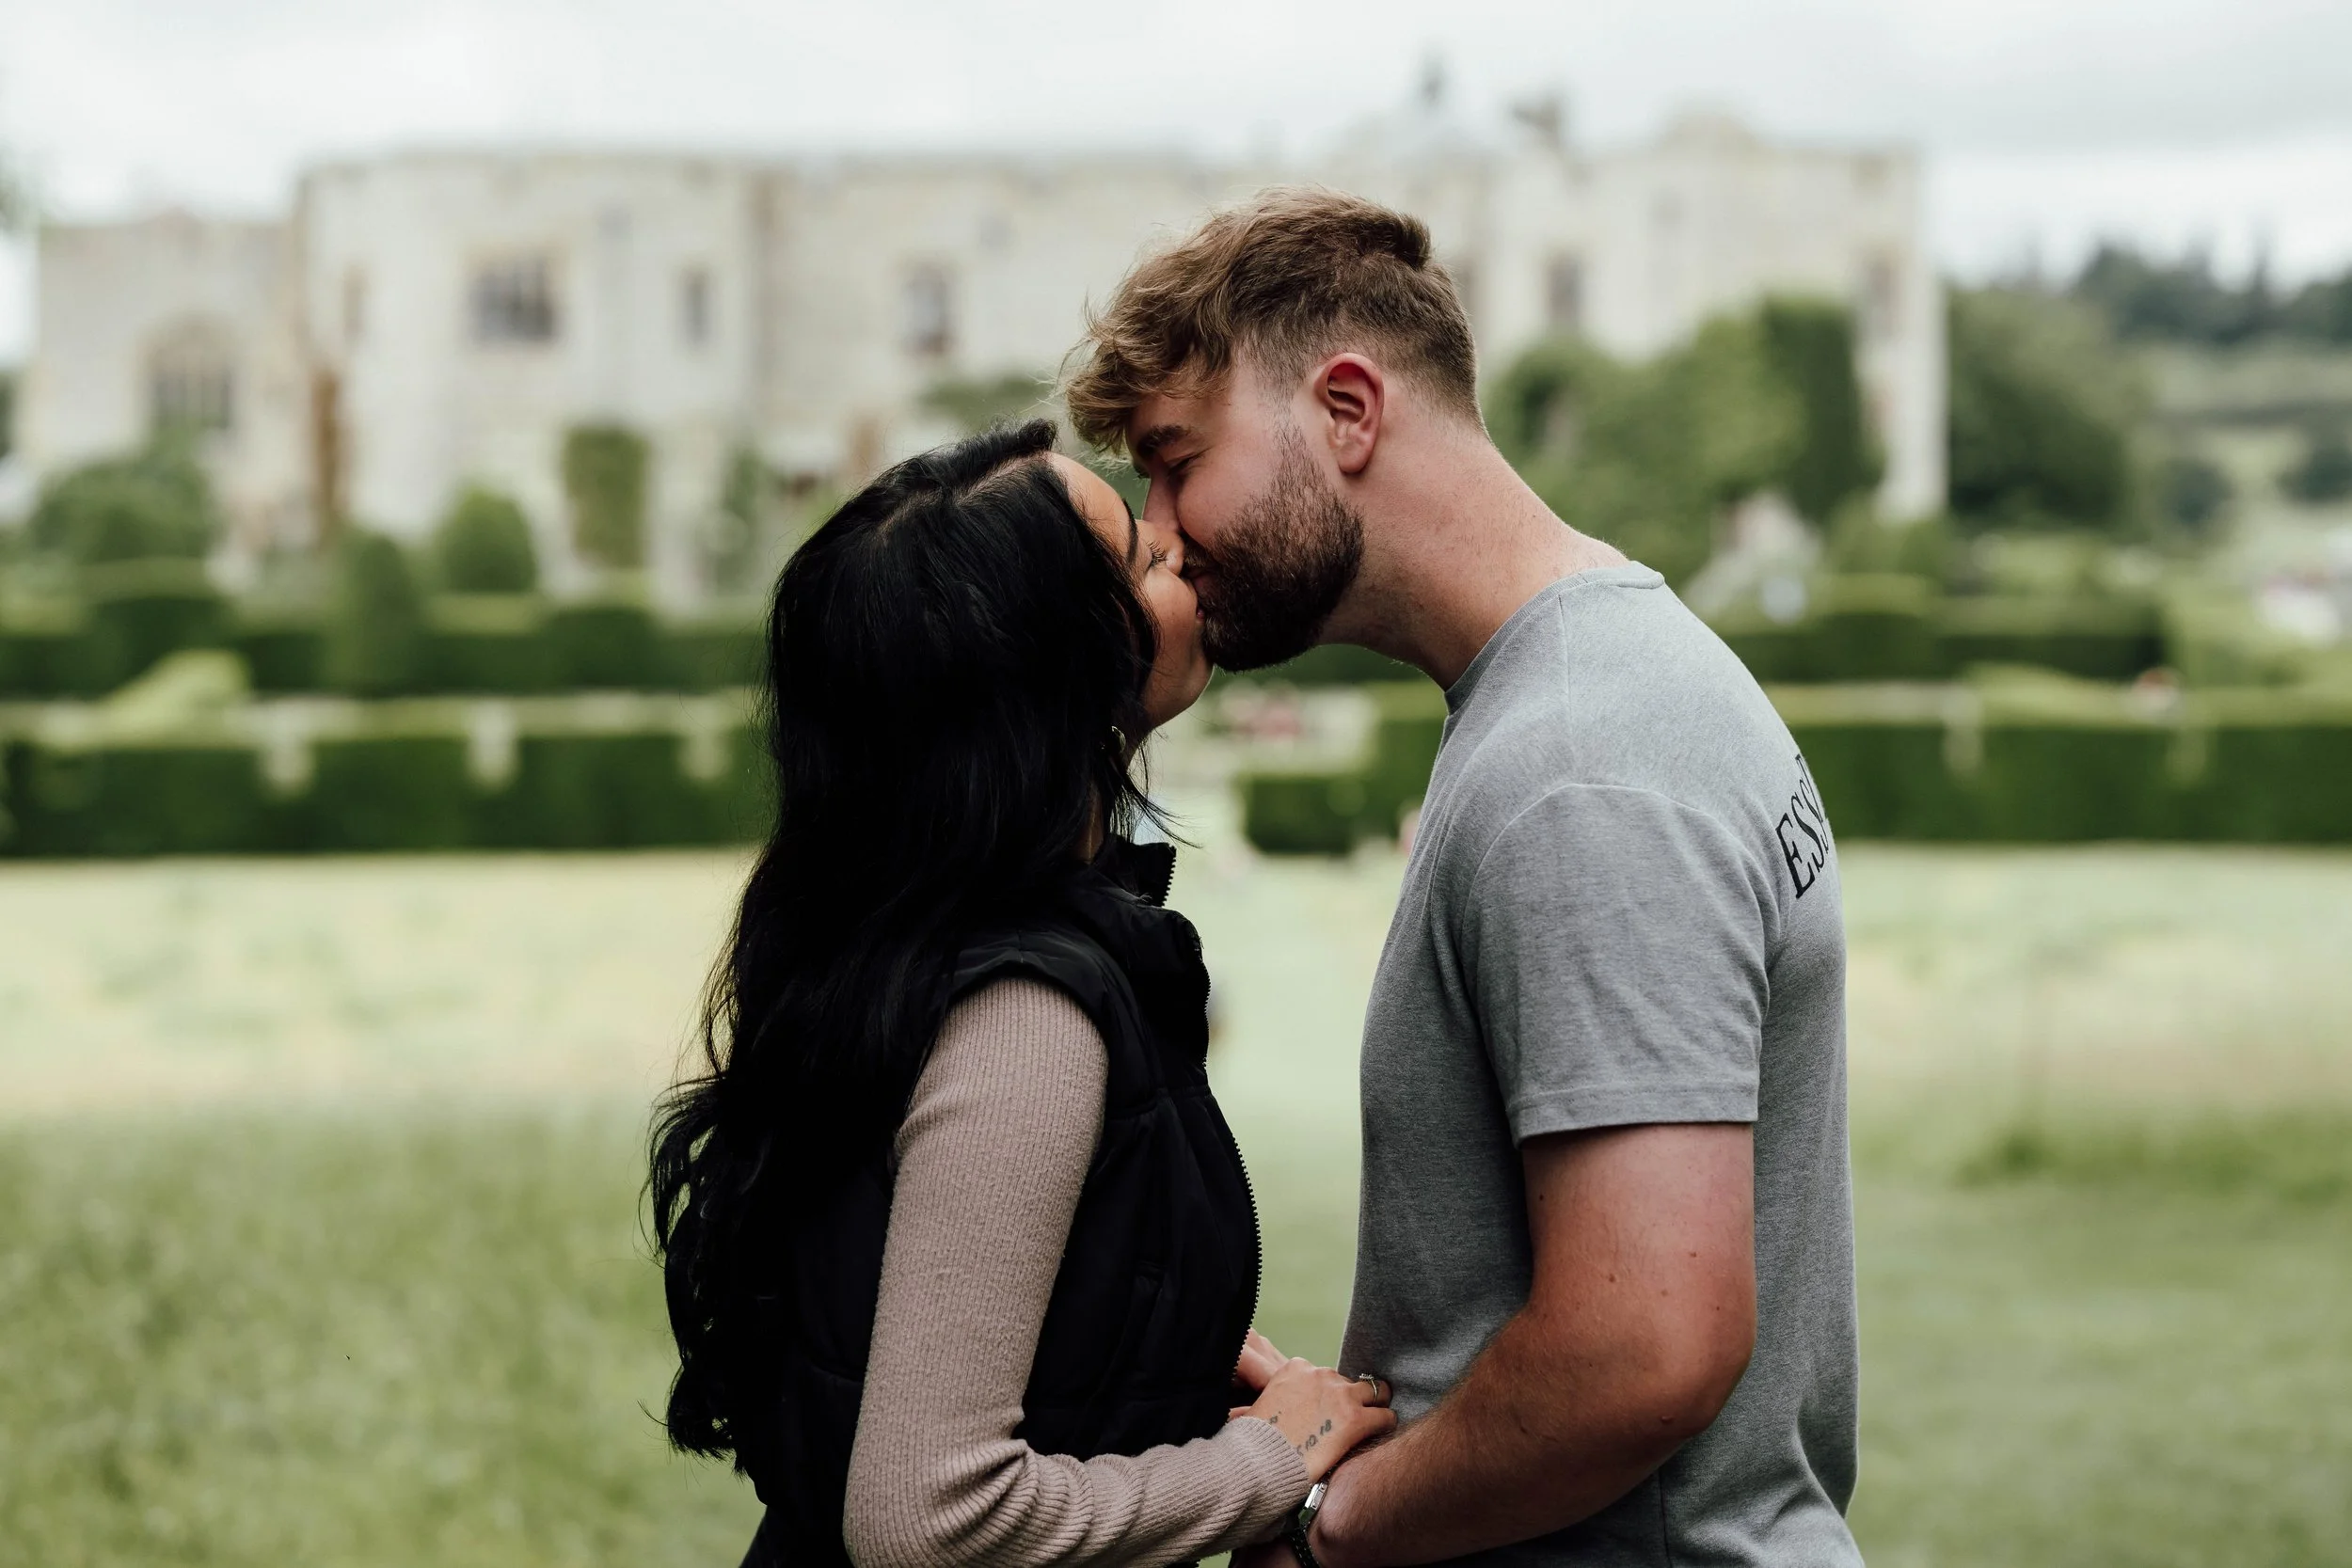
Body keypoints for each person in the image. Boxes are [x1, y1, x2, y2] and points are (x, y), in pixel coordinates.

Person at [1064, 190, 1859, 1568]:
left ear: (1350, 409)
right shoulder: (1591, 688)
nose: (1166, 529)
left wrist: (1332, 1525)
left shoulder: (1581, 763)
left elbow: (1645, 1344)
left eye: (1176, 458)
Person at [649, 419, 1393, 1568]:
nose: (1180, 545)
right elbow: (926, 1515)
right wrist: (1266, 1468)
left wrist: (1183, 1337)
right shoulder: (1026, 1020)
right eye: (1144, 560)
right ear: (1063, 675)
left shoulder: (902, 935)